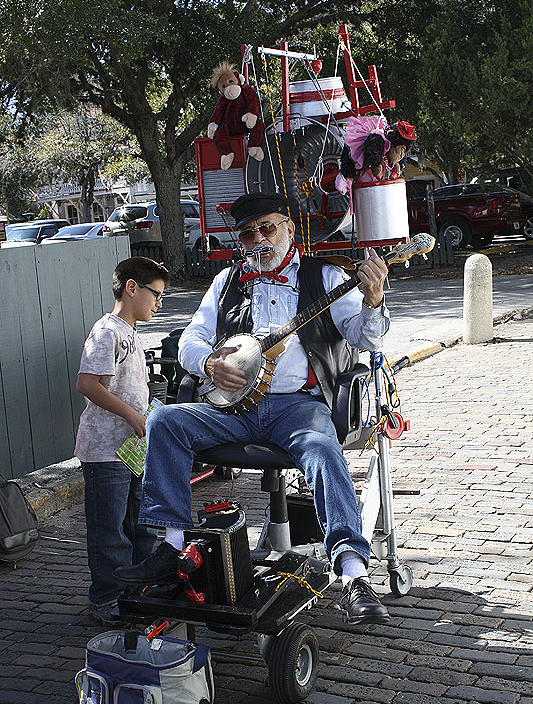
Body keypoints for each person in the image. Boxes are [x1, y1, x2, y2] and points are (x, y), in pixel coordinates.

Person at [115, 193, 390, 625]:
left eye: (268, 228)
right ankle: (171, 546)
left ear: (289, 229)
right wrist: (208, 363)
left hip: (298, 407)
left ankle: (354, 574)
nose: (259, 239)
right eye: (248, 233)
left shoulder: (327, 277)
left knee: (321, 449)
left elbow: (367, 338)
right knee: (164, 418)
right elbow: (191, 338)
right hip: (234, 410)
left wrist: (373, 301)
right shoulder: (227, 281)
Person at [75, 256, 170, 625]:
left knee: (141, 524)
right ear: (131, 288)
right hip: (104, 451)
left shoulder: (131, 332)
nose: (159, 303)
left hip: (131, 449)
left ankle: (136, 591)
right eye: (156, 295)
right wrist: (132, 415)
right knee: (110, 530)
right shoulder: (107, 331)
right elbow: (87, 383)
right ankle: (105, 600)